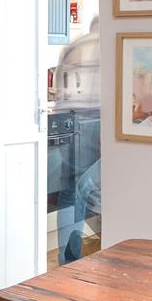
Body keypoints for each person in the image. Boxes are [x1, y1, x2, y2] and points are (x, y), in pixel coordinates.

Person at [54, 17, 101, 264]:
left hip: (69, 118)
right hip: (96, 118)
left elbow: (58, 85)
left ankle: (68, 258)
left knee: (70, 194)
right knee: (93, 188)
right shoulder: (107, 43)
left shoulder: (75, 45)